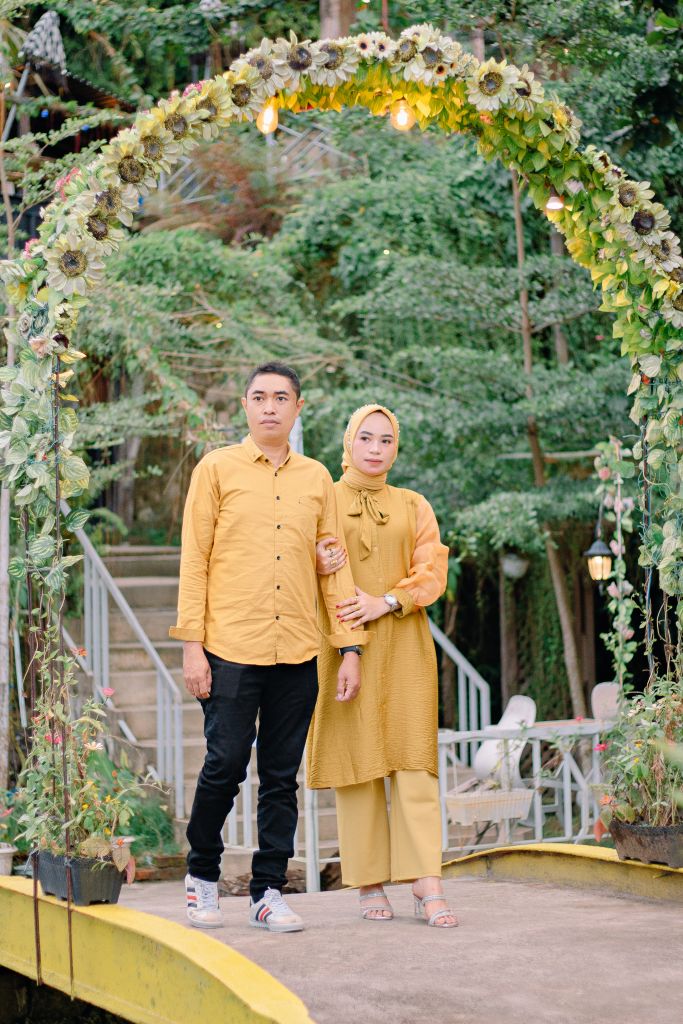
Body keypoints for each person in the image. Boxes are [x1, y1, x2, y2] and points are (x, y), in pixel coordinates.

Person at [170, 362, 367, 932]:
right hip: (231, 646)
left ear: (298, 408)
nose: (270, 407)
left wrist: (349, 647)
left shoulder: (316, 479)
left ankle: (268, 891)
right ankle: (202, 877)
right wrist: (192, 646)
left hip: (298, 650)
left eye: (281, 398)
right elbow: (195, 560)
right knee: (224, 765)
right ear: (245, 405)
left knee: (282, 777)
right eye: (259, 397)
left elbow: (333, 565)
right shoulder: (216, 469)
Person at [308, 403, 457, 927]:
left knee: (415, 762)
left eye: (386, 440)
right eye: (366, 438)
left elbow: (432, 571)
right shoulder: (322, 498)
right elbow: (311, 567)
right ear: (348, 442)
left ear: (396, 449)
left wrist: (387, 601)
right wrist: (319, 566)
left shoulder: (414, 504)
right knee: (358, 764)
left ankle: (426, 879)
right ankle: (368, 880)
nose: (375, 448)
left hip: (405, 643)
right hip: (342, 645)